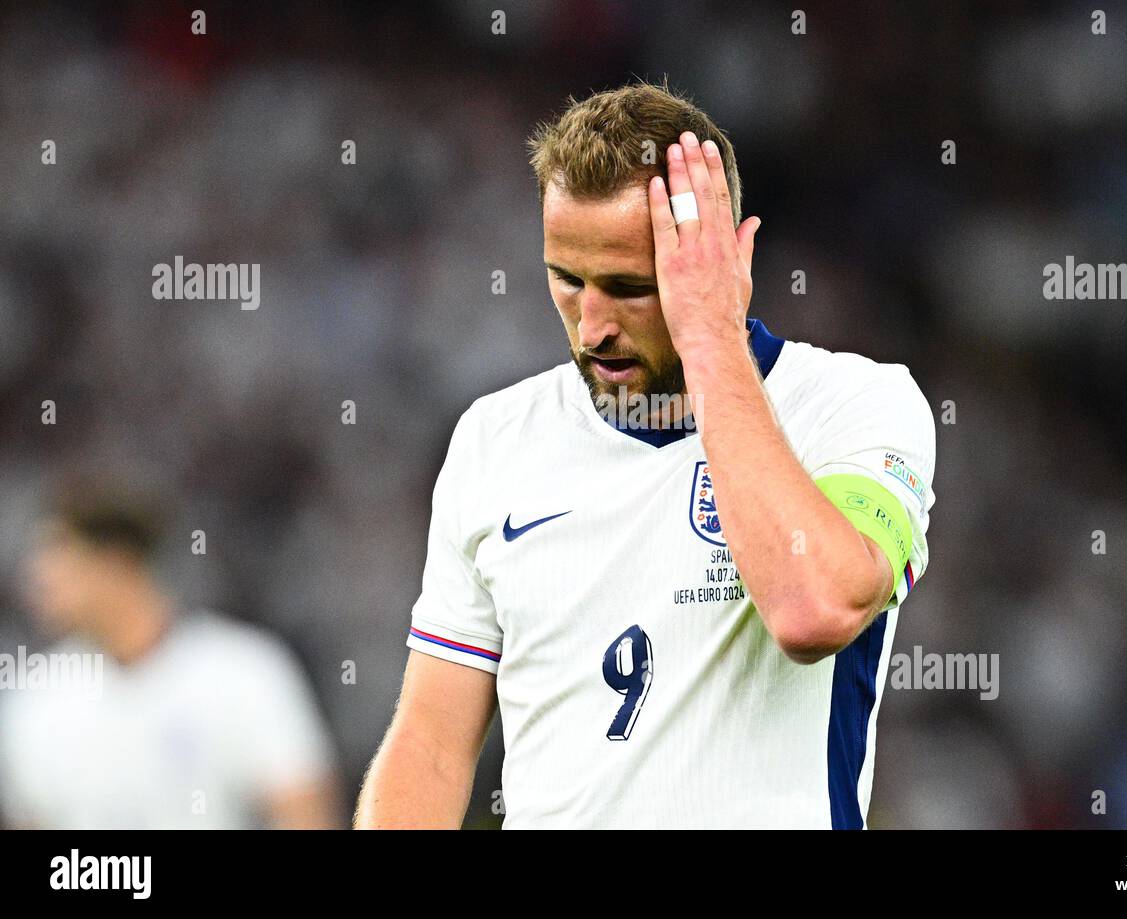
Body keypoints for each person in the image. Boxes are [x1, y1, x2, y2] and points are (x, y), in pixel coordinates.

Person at [357, 81, 936, 829]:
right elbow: (432, 744)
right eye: (567, 279)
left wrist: (709, 339)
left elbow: (812, 607)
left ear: (725, 264)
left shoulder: (854, 405)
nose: (591, 326)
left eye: (631, 287)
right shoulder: (493, 437)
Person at [0, 489, 340, 829]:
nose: (38, 580)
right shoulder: (37, 700)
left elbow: (303, 815)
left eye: (57, 559)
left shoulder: (243, 671)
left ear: (116, 562)